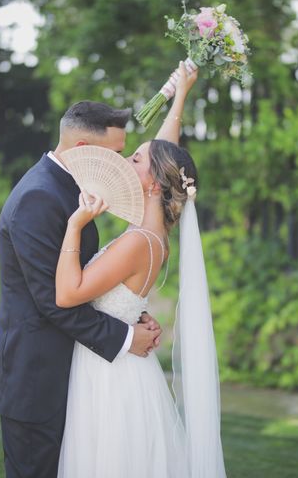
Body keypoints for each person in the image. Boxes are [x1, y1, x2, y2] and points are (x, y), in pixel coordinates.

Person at [55, 62, 227, 477]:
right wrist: (180, 93)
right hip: (125, 365)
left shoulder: (136, 242)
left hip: (109, 374)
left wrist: (74, 226)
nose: (124, 163)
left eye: (132, 159)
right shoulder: (155, 234)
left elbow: (66, 294)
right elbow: (164, 155)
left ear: (152, 184)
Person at [0, 99, 164, 477]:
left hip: (70, 370)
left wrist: (129, 309)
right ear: (83, 149)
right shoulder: (39, 197)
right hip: (36, 376)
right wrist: (127, 338)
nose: (120, 163)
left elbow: (85, 282)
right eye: (115, 153)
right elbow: (54, 301)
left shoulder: (72, 186)